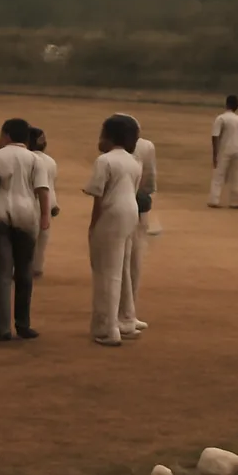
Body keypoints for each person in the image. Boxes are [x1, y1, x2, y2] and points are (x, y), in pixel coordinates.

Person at [0, 118, 51, 342]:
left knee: (3, 271)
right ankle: (23, 324)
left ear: (6, 135)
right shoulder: (35, 159)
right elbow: (42, 190)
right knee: (24, 272)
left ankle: (3, 328)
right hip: (26, 216)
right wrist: (44, 217)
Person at [83, 114, 142, 347]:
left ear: (109, 136)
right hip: (131, 212)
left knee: (106, 271)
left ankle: (108, 329)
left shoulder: (105, 160)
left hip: (112, 213)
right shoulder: (133, 161)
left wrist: (93, 225)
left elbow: (98, 196)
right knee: (121, 269)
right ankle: (123, 321)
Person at [122, 116, 156, 332]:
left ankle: (123, 314)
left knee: (119, 265)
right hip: (135, 207)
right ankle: (127, 314)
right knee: (133, 263)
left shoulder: (106, 152)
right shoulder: (145, 146)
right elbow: (150, 179)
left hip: (115, 209)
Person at [208, 94, 238, 209]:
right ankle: (235, 201)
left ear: (226, 104)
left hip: (225, 149)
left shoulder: (221, 118)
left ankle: (214, 199)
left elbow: (215, 136)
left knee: (219, 174)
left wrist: (215, 154)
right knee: (236, 176)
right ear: (236, 106)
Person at [27, 127, 59, 279]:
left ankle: (25, 267)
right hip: (48, 203)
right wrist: (54, 204)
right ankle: (37, 267)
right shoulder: (50, 161)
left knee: (28, 238)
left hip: (31, 204)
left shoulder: (27, 159)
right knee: (42, 237)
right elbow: (51, 185)